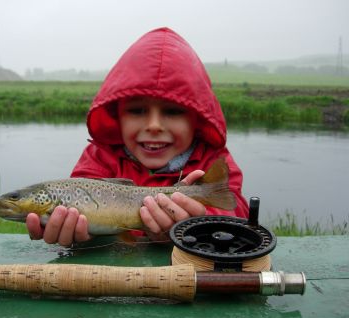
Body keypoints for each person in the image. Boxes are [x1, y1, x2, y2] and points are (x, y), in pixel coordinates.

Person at [27, 27, 249, 246]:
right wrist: (80, 234)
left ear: (197, 120)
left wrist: (198, 222)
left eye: (172, 111)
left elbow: (236, 212)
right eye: (137, 111)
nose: (153, 126)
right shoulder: (99, 157)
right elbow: (79, 215)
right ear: (117, 117)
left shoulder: (212, 160)